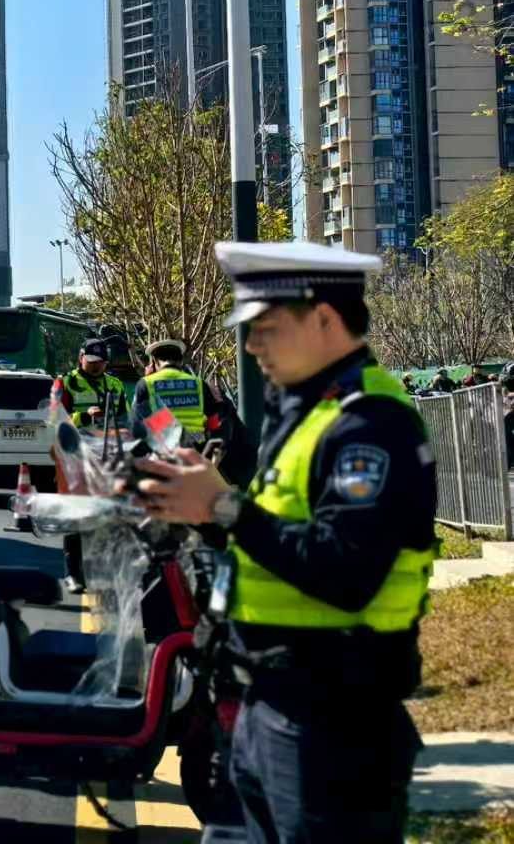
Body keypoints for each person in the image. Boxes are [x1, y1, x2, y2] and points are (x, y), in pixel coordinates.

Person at [134, 240, 436, 844]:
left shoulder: (371, 425)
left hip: (333, 724)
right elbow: (274, 537)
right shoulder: (305, 415)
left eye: (266, 328)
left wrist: (223, 505)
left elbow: (345, 571)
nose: (252, 346)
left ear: (324, 320)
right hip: (263, 710)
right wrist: (201, 509)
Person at [49, 338, 128, 592]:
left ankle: (106, 572)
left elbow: (126, 418)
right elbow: (53, 419)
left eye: (100, 363)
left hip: (107, 456)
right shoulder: (65, 383)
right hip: (75, 457)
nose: (96, 367)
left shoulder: (115, 385)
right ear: (81, 358)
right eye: (91, 362)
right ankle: (73, 574)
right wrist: (84, 416)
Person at [131, 339, 209, 447]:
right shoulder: (199, 383)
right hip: (197, 448)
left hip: (164, 449)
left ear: (154, 362)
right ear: (181, 361)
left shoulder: (146, 383)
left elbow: (137, 426)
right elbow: (214, 420)